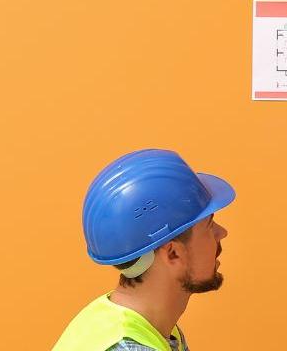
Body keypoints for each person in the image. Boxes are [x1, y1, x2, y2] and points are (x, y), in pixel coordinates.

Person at [53, 149, 234, 351]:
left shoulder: (116, 322)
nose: (222, 233)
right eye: (209, 225)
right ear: (173, 253)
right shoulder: (129, 347)